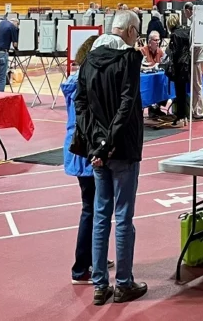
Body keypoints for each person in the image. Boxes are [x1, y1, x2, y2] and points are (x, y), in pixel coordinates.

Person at [72, 10, 147, 306]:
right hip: (123, 149)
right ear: (129, 31)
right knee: (123, 216)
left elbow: (81, 104)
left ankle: (100, 284)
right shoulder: (128, 59)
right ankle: (124, 283)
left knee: (101, 216)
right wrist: (110, 141)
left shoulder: (88, 60)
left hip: (98, 153)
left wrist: (96, 144)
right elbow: (127, 105)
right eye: (136, 33)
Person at [62, 35, 116, 285]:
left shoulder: (74, 81)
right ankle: (81, 267)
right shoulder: (84, 83)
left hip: (78, 150)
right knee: (92, 209)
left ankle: (94, 257)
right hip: (86, 151)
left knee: (95, 208)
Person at [165, 14, 191, 127]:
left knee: (179, 94)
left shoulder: (174, 35)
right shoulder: (186, 31)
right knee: (183, 93)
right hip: (187, 66)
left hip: (179, 67)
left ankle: (180, 118)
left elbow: (174, 53)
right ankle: (184, 117)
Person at [183, 2, 203, 120]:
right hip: (198, 57)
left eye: (184, 12)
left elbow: (197, 43)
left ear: (188, 10)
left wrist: (190, 54)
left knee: (197, 84)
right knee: (195, 84)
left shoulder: (196, 22)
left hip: (197, 57)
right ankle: (195, 108)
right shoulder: (194, 21)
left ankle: (199, 111)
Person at [0, 17, 19, 92]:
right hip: (2, 53)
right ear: (15, 22)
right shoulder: (13, 27)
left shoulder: (2, 23)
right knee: (2, 78)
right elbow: (15, 44)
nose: (17, 27)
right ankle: (0, 98)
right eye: (17, 25)